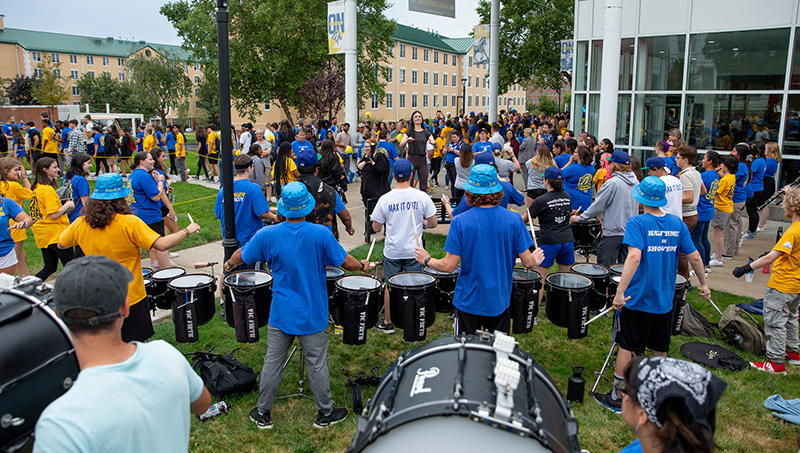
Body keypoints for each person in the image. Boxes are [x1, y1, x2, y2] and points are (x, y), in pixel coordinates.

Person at [223, 182, 373, 429]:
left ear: (282, 207)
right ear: (307, 208)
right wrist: (363, 266)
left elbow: (242, 255)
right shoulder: (320, 234)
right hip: (312, 313)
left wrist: (228, 265)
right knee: (316, 363)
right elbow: (345, 262)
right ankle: (325, 413)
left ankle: (263, 413)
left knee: (273, 361)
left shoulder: (267, 234)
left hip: (281, 312)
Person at [33, 255, 211, 453]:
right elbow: (202, 404)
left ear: (58, 314)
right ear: (125, 308)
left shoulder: (60, 424)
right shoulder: (166, 354)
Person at [594, 176, 710, 413]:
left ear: (641, 199)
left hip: (637, 299)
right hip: (664, 299)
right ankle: (660, 395)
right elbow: (695, 256)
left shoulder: (637, 223)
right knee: (660, 348)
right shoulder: (677, 224)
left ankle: (618, 396)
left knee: (626, 345)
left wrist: (620, 292)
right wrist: (704, 284)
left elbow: (634, 257)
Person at [58, 173, 200, 341]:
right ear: (121, 199)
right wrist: (187, 230)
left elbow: (61, 243)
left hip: (98, 296)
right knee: (136, 345)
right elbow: (162, 244)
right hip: (130, 296)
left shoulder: (81, 223)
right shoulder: (130, 223)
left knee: (108, 345)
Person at [414, 165, 545, 334]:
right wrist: (535, 258)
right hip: (499, 300)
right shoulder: (514, 219)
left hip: (468, 301)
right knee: (496, 354)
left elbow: (448, 266)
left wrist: (427, 259)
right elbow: (528, 263)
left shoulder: (460, 222)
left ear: (470, 192)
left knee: (466, 355)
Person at [732, 186, 800, 374]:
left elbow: (771, 258)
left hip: (782, 285)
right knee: (791, 319)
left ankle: (776, 363)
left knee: (775, 322)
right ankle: (793, 354)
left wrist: (746, 268)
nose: (783, 206)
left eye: (784, 203)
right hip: (795, 286)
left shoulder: (793, 232)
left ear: (793, 207)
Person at [371, 159, 438, 333]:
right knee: (415, 284)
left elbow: (376, 228)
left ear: (393, 176)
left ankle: (388, 322)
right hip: (414, 250)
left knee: (390, 285)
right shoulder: (421, 196)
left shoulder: (385, 199)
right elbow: (433, 223)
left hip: (393, 250)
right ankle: (414, 319)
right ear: (411, 175)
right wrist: (423, 223)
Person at [619, 356, 726, 453]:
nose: (623, 394)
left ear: (643, 413)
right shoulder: (646, 444)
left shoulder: (649, 443)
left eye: (626, 389)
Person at [571, 151, 639, 266]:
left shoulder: (612, 183)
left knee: (604, 269)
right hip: (630, 233)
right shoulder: (636, 182)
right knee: (624, 270)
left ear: (614, 165)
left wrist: (579, 218)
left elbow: (598, 206)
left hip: (613, 233)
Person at [214, 155, 275, 267]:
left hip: (230, 243)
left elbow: (218, 214)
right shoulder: (253, 188)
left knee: (230, 276)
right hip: (249, 244)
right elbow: (262, 213)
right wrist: (275, 217)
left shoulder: (224, 189)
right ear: (249, 168)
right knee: (251, 279)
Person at [528, 167, 574, 305]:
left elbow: (526, 219)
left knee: (539, 279)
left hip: (549, 241)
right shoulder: (567, 197)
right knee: (566, 277)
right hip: (567, 240)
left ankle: (533, 312)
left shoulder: (541, 200)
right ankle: (567, 307)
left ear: (546, 181)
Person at [30, 157, 73, 281]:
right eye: (54, 167)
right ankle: (70, 292)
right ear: (45, 170)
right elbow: (53, 215)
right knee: (71, 267)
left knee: (49, 267)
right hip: (55, 233)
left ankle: (29, 287)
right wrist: (68, 205)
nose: (58, 169)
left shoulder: (36, 188)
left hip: (43, 234)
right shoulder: (47, 190)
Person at [128, 151, 170, 270]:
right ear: (141, 161)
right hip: (149, 216)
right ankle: (167, 271)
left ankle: (130, 268)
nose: (153, 161)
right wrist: (160, 181)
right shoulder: (144, 176)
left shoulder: (134, 174)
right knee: (161, 245)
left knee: (138, 246)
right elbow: (156, 196)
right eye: (150, 159)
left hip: (137, 215)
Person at [675, 146, 705, 278]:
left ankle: (683, 279)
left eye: (678, 158)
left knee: (681, 251)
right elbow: (703, 191)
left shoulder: (686, 175)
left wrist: (674, 198)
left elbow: (689, 197)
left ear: (685, 160)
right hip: (694, 214)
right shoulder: (696, 173)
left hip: (687, 215)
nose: (676, 160)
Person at [0, 158, 32, 275]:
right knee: (17, 259)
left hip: (5, 225)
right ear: (5, 171)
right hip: (16, 226)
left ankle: (26, 282)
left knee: (22, 258)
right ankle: (24, 284)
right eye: (15, 170)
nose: (17, 173)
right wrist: (24, 178)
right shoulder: (13, 186)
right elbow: (32, 195)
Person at [709, 156, 737, 268]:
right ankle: (718, 253)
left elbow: (716, 192)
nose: (721, 166)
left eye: (723, 164)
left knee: (718, 234)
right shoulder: (731, 177)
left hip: (721, 207)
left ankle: (719, 258)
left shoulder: (725, 180)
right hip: (727, 207)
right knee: (720, 233)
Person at [399, 111, 437, 194]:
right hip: (411, 159)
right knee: (409, 183)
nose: (418, 118)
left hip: (422, 160)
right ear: (412, 119)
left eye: (420, 116)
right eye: (415, 116)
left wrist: (435, 144)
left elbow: (434, 143)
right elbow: (401, 144)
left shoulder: (426, 133)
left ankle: (422, 204)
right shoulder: (409, 132)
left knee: (423, 185)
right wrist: (406, 140)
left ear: (422, 119)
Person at [695, 151, 720, 272]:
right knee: (704, 238)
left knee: (697, 239)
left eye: (704, 158)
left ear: (710, 161)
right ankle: (706, 264)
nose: (702, 160)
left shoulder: (704, 176)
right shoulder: (715, 174)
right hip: (709, 209)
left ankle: (701, 266)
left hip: (701, 210)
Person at [61, 153, 92, 231]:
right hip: (79, 215)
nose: (91, 165)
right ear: (81, 164)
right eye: (88, 163)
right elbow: (85, 202)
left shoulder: (66, 177)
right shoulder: (81, 180)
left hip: (68, 215)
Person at [357, 139, 391, 207]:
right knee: (368, 212)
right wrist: (365, 161)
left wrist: (373, 163)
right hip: (366, 190)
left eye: (367, 147)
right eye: (365, 147)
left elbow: (383, 171)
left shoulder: (380, 157)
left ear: (373, 147)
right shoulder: (366, 156)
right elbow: (359, 167)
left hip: (377, 191)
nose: (365, 148)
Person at [561, 144, 594, 212]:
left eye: (575, 152)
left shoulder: (573, 168)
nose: (573, 154)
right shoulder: (591, 167)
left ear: (580, 155)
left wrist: (569, 163)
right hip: (586, 199)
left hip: (574, 202)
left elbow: (558, 174)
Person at [743, 142, 766, 239]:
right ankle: (752, 230)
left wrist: (749, 163)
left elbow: (751, 171)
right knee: (753, 210)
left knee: (751, 210)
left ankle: (751, 231)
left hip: (754, 188)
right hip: (758, 187)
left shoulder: (757, 161)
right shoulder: (762, 160)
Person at [759, 142, 781, 231]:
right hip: (769, 181)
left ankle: (761, 224)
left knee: (763, 204)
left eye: (766, 148)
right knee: (765, 204)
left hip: (766, 181)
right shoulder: (773, 160)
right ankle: (762, 223)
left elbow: (763, 171)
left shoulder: (769, 161)